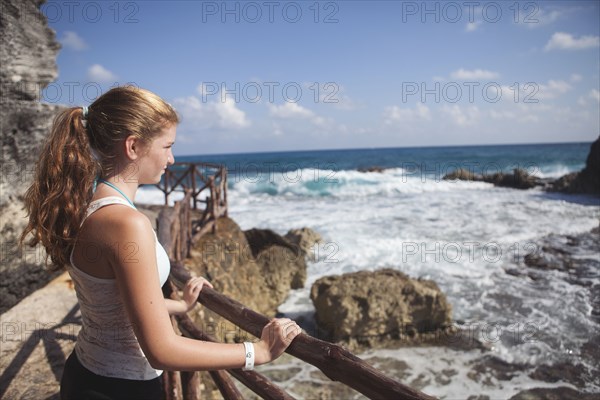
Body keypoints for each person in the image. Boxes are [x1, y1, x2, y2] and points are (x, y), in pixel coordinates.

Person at [19, 85, 301, 399]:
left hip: (86, 374)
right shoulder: (127, 224)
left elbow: (115, 300)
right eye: (167, 145)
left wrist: (178, 305)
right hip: (120, 389)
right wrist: (256, 352)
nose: (172, 157)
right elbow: (162, 350)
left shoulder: (87, 206)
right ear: (133, 146)